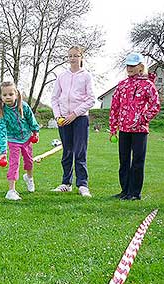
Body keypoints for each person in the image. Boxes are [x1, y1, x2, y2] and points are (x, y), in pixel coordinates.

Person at [109, 52, 160, 200]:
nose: (130, 68)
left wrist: (143, 118)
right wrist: (113, 128)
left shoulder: (148, 85)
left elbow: (155, 105)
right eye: (128, 65)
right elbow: (115, 106)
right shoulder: (122, 85)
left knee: (137, 161)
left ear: (140, 67)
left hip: (140, 130)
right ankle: (125, 190)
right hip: (124, 129)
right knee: (123, 161)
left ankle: (135, 193)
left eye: (133, 65)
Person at [50, 45, 95, 197]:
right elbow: (55, 98)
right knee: (67, 151)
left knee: (80, 152)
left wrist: (75, 114)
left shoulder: (86, 76)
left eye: (76, 56)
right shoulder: (62, 76)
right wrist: (58, 116)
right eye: (70, 56)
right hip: (63, 119)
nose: (72, 59)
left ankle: (82, 184)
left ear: (81, 57)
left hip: (80, 118)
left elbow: (91, 100)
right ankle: (66, 183)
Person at [0, 81, 40, 200]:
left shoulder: (24, 106)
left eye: (11, 94)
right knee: (14, 164)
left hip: (26, 138)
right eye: (5, 95)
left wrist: (35, 131)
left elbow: (31, 119)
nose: (8, 97)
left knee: (29, 161)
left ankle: (29, 178)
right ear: (1, 97)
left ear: (16, 94)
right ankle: (11, 191)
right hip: (13, 140)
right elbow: (2, 133)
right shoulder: (2, 112)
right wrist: (3, 152)